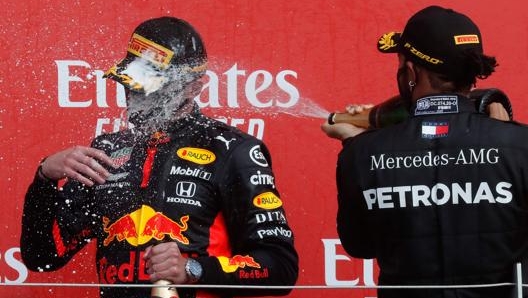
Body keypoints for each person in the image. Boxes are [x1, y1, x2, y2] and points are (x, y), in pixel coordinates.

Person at [20, 16, 298, 298]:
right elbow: (43, 256)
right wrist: (44, 178)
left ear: (194, 87)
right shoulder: (104, 151)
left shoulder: (232, 149)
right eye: (130, 85)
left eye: (149, 89)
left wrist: (193, 270)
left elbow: (280, 268)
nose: (134, 97)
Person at [322, 5, 528, 298]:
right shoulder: (520, 145)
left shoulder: (362, 154)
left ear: (410, 72)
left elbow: (360, 245)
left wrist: (356, 143)